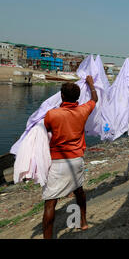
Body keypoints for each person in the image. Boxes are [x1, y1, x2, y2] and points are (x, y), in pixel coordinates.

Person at [42, 76, 98, 239]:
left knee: (51, 201)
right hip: (76, 160)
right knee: (79, 191)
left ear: (62, 96)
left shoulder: (52, 114)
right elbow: (95, 99)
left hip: (58, 161)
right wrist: (91, 85)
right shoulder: (83, 110)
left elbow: (44, 130)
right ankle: (83, 222)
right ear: (77, 98)